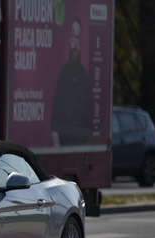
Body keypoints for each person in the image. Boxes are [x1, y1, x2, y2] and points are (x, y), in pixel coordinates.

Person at [50, 17, 89, 146]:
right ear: (68, 40)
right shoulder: (63, 74)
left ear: (81, 42)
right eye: (73, 37)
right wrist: (56, 141)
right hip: (64, 142)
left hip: (81, 142)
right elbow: (56, 114)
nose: (75, 44)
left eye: (78, 37)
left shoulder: (84, 77)